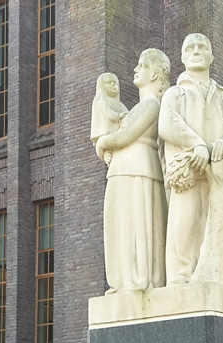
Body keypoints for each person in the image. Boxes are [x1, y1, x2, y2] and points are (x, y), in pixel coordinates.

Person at [159, 33, 223, 286]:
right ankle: (180, 275)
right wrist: (197, 144)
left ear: (211, 56)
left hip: (217, 174)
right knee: (184, 222)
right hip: (188, 169)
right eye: (190, 48)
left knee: (218, 221)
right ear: (183, 56)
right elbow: (167, 124)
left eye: (202, 47)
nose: (196, 51)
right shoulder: (175, 94)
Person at [94, 50, 170, 292]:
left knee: (138, 226)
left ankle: (139, 279)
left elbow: (126, 136)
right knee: (121, 227)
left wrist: (103, 143)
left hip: (139, 170)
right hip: (123, 170)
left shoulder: (152, 106)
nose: (135, 70)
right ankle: (124, 282)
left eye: (141, 65)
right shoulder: (137, 107)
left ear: (155, 73)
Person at [90, 73, 128, 165]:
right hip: (104, 132)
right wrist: (118, 116)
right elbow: (107, 112)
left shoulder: (118, 104)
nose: (112, 84)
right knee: (103, 146)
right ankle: (103, 153)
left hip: (116, 136)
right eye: (109, 82)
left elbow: (127, 112)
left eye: (115, 83)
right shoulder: (100, 98)